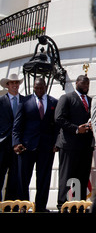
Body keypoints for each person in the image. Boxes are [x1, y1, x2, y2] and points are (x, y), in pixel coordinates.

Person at [12, 78, 58, 212]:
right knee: (23, 179)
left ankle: (41, 207)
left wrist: (55, 143)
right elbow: (17, 126)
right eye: (36, 88)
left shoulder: (53, 102)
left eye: (40, 88)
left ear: (45, 86)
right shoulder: (24, 102)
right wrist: (16, 143)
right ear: (33, 87)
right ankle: (23, 206)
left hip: (46, 147)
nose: (38, 90)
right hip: (27, 147)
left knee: (44, 179)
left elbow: (56, 126)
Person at [55, 75, 94, 210]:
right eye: (83, 84)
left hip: (85, 147)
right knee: (66, 178)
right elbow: (59, 118)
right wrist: (76, 129)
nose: (86, 86)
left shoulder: (91, 100)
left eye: (88, 84)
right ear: (77, 83)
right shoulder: (66, 98)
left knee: (82, 179)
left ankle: (79, 206)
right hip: (69, 146)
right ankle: (63, 206)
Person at [0, 73, 24, 200]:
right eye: (12, 83)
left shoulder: (25, 101)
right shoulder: (1, 101)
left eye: (16, 83)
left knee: (15, 177)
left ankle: (10, 205)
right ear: (7, 85)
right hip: (2, 144)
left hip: (18, 145)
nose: (15, 85)